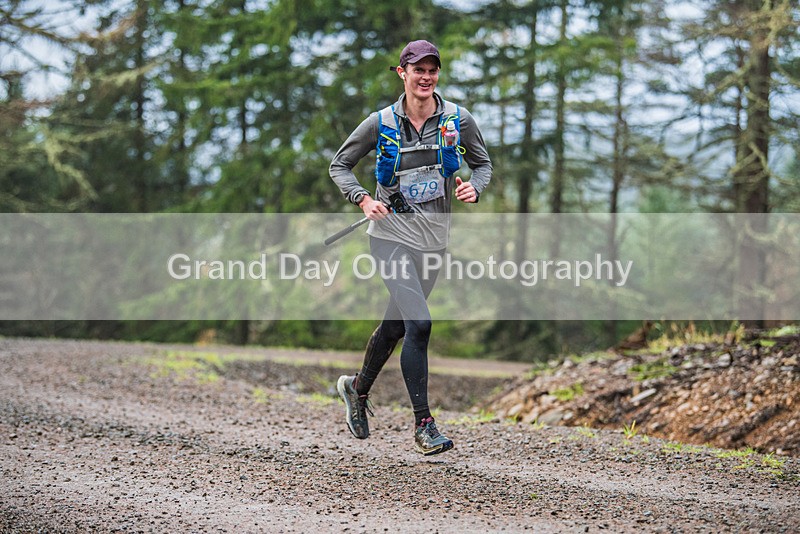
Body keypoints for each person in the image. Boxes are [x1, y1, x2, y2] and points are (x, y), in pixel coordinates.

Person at [329, 39, 492, 455]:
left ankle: (356, 387)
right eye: (417, 69)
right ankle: (424, 425)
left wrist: (475, 186)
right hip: (389, 239)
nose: (426, 76)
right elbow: (340, 165)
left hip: (433, 243)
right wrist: (363, 200)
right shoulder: (380, 122)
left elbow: (483, 164)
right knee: (420, 324)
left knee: (398, 325)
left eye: (432, 69)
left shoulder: (458, 118)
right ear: (402, 73)